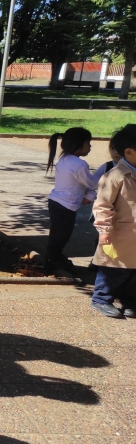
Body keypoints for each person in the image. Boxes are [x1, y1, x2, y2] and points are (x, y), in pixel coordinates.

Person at [89, 124, 136, 318]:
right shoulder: (115, 176)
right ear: (129, 151)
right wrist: (104, 229)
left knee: (133, 272)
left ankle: (129, 300)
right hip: (119, 233)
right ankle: (101, 298)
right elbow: (102, 205)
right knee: (113, 269)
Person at [44, 127, 96, 274]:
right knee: (61, 235)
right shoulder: (79, 164)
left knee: (58, 234)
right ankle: (52, 260)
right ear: (78, 145)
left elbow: (81, 184)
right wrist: (102, 176)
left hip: (57, 202)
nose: (90, 147)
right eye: (88, 143)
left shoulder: (65, 159)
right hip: (66, 205)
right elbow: (91, 183)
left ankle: (53, 258)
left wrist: (89, 194)